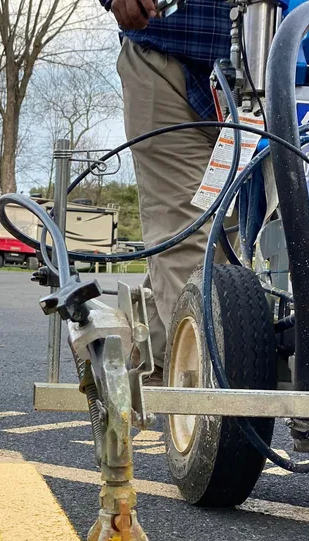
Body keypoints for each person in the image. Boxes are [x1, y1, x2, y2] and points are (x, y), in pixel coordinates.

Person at [102, 0, 232, 383]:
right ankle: (205, 404)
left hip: (269, 64)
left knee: (230, 238)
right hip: (169, 52)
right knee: (190, 237)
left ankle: (150, 358)